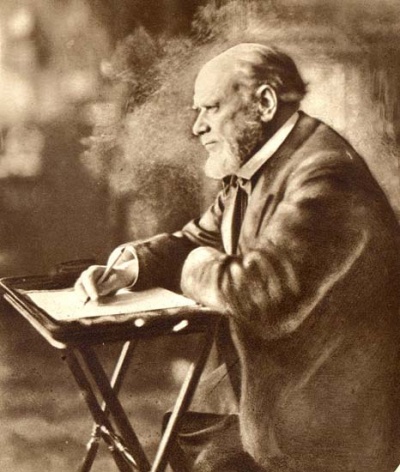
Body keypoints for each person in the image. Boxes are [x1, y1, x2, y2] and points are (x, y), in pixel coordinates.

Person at [75, 43, 400, 472]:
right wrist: (129, 267)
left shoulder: (324, 173)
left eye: (210, 109)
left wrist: (191, 266)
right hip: (277, 404)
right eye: (197, 111)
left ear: (264, 104)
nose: (197, 127)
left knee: (194, 452)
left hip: (329, 430)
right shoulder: (258, 165)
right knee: (183, 443)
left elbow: (258, 290)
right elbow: (196, 237)